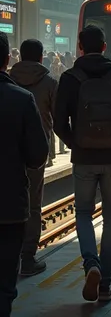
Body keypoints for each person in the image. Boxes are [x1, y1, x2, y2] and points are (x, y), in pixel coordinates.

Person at [54, 25, 111, 303]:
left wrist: (76, 143)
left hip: (84, 158)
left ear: (80, 47)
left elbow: (58, 122)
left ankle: (92, 264)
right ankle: (106, 286)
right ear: (104, 47)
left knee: (82, 214)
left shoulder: (69, 78)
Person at [0, 32, 49, 317]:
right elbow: (37, 156)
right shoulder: (21, 99)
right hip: (9, 207)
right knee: (5, 281)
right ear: (8, 59)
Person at [9, 39, 58, 276]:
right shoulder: (49, 82)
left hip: (7, 150)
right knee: (34, 204)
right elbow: (59, 118)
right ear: (40, 58)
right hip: (36, 152)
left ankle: (9, 252)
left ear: (17, 58)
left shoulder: (8, 80)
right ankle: (28, 258)